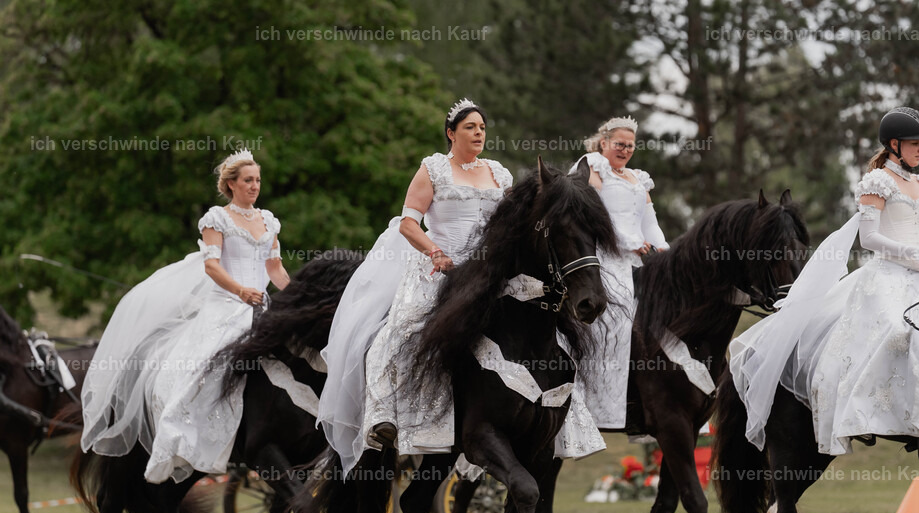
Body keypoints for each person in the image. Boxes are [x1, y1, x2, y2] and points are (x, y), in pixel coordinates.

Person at [318, 99, 604, 477]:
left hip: (488, 271)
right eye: (470, 127)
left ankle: (553, 415)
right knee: (403, 330)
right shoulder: (433, 168)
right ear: (452, 133)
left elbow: (516, 223)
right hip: (440, 268)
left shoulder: (498, 173)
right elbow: (408, 224)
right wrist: (435, 253)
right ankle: (386, 415)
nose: (478, 133)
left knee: (548, 329)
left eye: (482, 127)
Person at [730, 107, 919, 455]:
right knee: (897, 331)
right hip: (886, 278)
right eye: (915, 143)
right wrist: (917, 253)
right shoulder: (877, 182)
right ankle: (867, 412)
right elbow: (870, 238)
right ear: (894, 145)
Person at [81, 149, 290, 483]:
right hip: (226, 305)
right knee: (205, 367)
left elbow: (274, 268)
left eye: (258, 180)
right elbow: (212, 266)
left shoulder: (268, 220)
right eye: (248, 180)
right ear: (231, 184)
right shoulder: (216, 219)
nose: (255, 186)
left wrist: (295, 297)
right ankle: (184, 435)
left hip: (262, 307)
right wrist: (241, 291)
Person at [570, 116, 669, 429]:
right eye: (619, 144)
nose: (625, 150)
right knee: (616, 313)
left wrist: (663, 249)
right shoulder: (594, 165)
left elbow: (649, 221)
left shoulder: (638, 179)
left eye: (630, 146)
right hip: (603, 257)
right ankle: (598, 405)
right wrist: (629, 241)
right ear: (604, 143)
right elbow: (594, 212)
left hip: (636, 261)